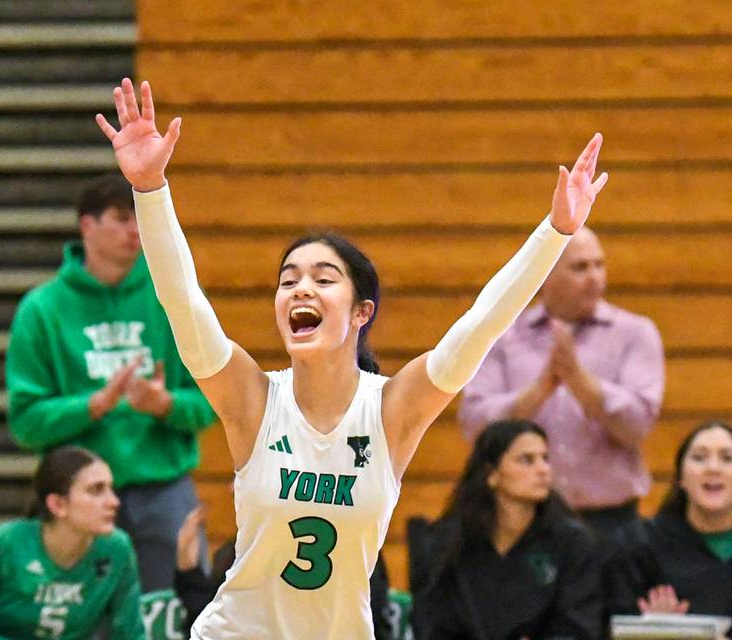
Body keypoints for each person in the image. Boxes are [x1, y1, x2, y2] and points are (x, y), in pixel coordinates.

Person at [94, 76, 608, 640]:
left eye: (322, 278)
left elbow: (481, 325)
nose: (300, 289)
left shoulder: (392, 410)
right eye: (288, 280)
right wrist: (150, 189)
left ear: (361, 312)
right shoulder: (254, 399)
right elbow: (182, 302)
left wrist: (555, 232)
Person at [5, 173, 217, 593]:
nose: (135, 231)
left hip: (164, 491)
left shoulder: (172, 299)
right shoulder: (42, 310)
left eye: (138, 219)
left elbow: (212, 401)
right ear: (87, 225)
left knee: (181, 614)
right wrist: (94, 405)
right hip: (77, 496)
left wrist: (165, 404)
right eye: (121, 219)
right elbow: (25, 422)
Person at [459, 226, 665, 535]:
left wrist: (578, 380)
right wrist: (540, 390)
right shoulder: (503, 335)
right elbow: (476, 426)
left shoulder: (635, 333)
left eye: (600, 264)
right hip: (524, 522)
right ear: (546, 275)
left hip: (611, 523)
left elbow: (637, 427)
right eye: (581, 267)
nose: (595, 277)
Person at [409, 419, 602, 640]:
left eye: (545, 459)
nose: (543, 469)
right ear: (492, 474)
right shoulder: (451, 541)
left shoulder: (571, 541)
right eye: (526, 460)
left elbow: (579, 627)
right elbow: (431, 623)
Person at [0, 446, 145, 640]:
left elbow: (131, 634)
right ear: (58, 504)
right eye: (96, 490)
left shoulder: (116, 549)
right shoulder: (2, 544)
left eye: (111, 488)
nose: (114, 501)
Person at [173, 506, 394, 639]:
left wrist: (190, 578)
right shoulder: (237, 551)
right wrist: (189, 573)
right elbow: (218, 620)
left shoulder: (357, 550)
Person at [605, 420, 732, 621]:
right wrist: (653, 631)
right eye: (699, 458)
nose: (713, 468)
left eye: (727, 458)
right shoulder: (638, 544)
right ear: (681, 477)